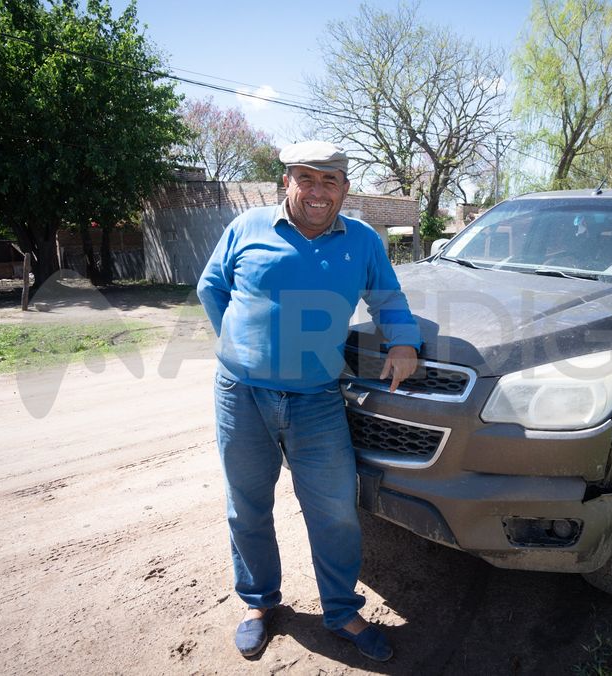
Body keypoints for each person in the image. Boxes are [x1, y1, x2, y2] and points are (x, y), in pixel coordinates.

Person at [196, 140, 421, 662]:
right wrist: (238, 347)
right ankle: (258, 603)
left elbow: (388, 298)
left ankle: (341, 611)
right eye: (307, 178)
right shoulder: (248, 228)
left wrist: (405, 342)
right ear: (287, 183)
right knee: (247, 504)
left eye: (330, 180)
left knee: (336, 510)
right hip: (241, 396)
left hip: (317, 399)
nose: (318, 191)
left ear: (344, 188)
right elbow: (213, 288)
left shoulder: (362, 241)